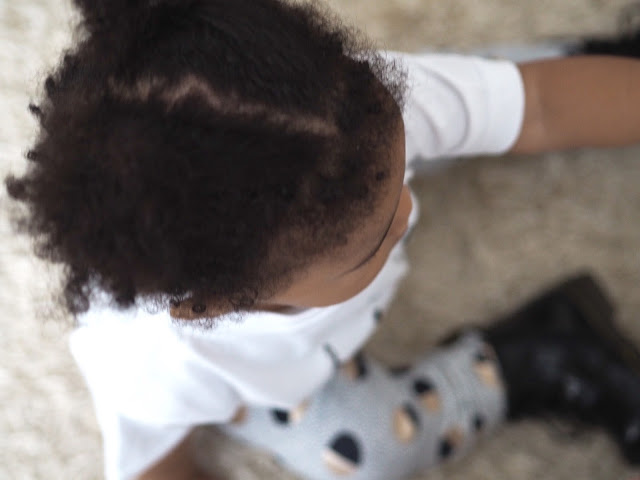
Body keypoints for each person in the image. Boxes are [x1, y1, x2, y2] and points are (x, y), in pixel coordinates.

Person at [5, 0, 640, 479]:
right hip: (297, 383)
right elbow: (155, 466)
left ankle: (602, 59)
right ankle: (535, 355)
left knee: (482, 92)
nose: (409, 212)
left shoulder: (359, 107)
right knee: (372, 454)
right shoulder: (156, 362)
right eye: (373, 244)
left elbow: (540, 107)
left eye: (399, 180)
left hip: (345, 183)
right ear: (217, 304)